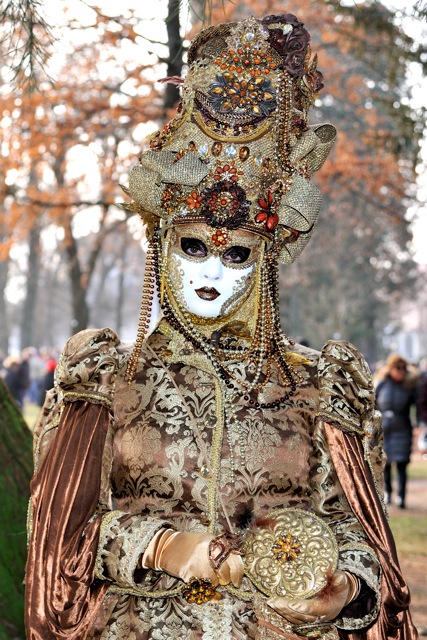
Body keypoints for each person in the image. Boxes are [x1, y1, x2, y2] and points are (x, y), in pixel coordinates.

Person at [25, 13, 418, 640]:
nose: (211, 269)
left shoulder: (318, 383)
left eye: (235, 252)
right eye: (191, 247)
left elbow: (354, 530)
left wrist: (342, 586)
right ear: (161, 244)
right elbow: (60, 539)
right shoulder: (106, 379)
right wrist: (161, 547)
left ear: (265, 258)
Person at [375, 354, 419, 509]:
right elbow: (373, 404)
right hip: (386, 429)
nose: (400, 371)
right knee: (386, 464)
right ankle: (387, 492)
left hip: (403, 428)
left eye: (403, 368)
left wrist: (420, 423)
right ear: (391, 368)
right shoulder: (382, 384)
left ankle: (402, 496)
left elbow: (420, 406)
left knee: (402, 464)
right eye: (397, 368)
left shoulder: (410, 386)